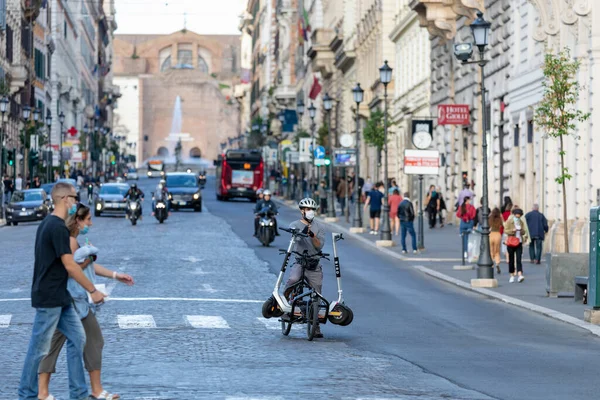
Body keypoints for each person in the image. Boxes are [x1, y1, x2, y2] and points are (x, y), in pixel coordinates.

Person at [18, 182, 106, 400]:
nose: (76, 202)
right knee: (38, 349)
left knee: (79, 338)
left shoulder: (48, 223)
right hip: (49, 298)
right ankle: (26, 395)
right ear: (65, 198)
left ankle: (79, 394)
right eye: (75, 198)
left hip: (61, 297)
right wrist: (92, 290)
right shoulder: (56, 227)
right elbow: (69, 265)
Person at [38, 203, 134, 400]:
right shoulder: (71, 241)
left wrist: (116, 275)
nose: (91, 223)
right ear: (78, 220)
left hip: (68, 299)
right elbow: (71, 269)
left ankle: (45, 392)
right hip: (73, 300)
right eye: (88, 219)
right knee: (94, 340)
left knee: (56, 344)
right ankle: (94, 390)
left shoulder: (72, 240)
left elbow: (89, 267)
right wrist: (91, 283)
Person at [284, 197, 325, 338]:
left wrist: (312, 235)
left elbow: (319, 245)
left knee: (317, 291)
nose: (310, 212)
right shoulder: (294, 224)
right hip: (300, 261)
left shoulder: (319, 227)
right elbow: (293, 235)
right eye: (308, 210)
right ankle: (285, 302)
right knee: (293, 278)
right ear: (302, 211)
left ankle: (316, 325)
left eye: (312, 210)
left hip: (314, 263)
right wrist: (300, 232)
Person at [504, 207, 530, 283]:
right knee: (511, 259)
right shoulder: (509, 221)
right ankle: (512, 275)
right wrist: (513, 230)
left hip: (519, 242)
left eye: (519, 215)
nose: (518, 216)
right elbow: (506, 230)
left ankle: (520, 274)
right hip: (511, 242)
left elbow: (524, 231)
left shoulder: (521, 222)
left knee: (519, 259)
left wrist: (521, 231)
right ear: (514, 214)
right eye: (517, 215)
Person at [489, 207, 504, 274]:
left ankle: (491, 264)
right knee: (497, 251)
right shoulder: (499, 219)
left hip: (491, 234)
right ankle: (497, 263)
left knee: (491, 250)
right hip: (498, 234)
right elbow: (503, 225)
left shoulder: (490, 219)